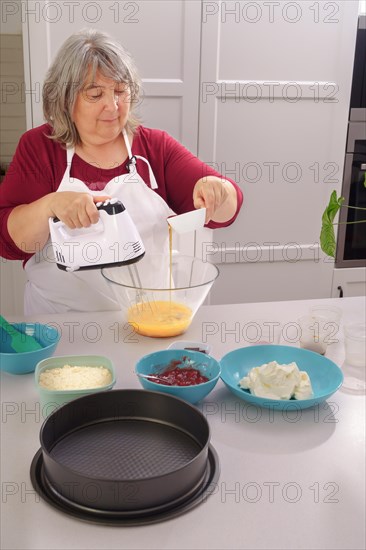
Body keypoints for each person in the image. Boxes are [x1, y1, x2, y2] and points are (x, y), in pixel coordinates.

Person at [0, 28, 243, 315]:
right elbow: (9, 242)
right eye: (95, 94)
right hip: (60, 327)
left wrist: (219, 191)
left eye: (119, 91)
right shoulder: (39, 147)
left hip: (145, 322)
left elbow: (226, 212)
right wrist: (49, 206)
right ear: (65, 100)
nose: (112, 106)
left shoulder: (155, 147)